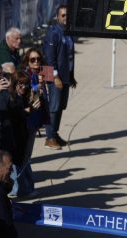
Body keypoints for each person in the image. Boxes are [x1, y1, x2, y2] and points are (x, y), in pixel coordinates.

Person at [43, 5, 75, 150]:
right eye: (63, 15)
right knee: (54, 107)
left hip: (65, 76)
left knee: (61, 106)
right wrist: (55, 77)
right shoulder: (53, 33)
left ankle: (55, 134)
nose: (65, 18)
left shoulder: (69, 32)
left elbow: (70, 56)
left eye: (67, 15)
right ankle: (49, 138)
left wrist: (71, 76)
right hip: (53, 75)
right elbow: (49, 58)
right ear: (57, 17)